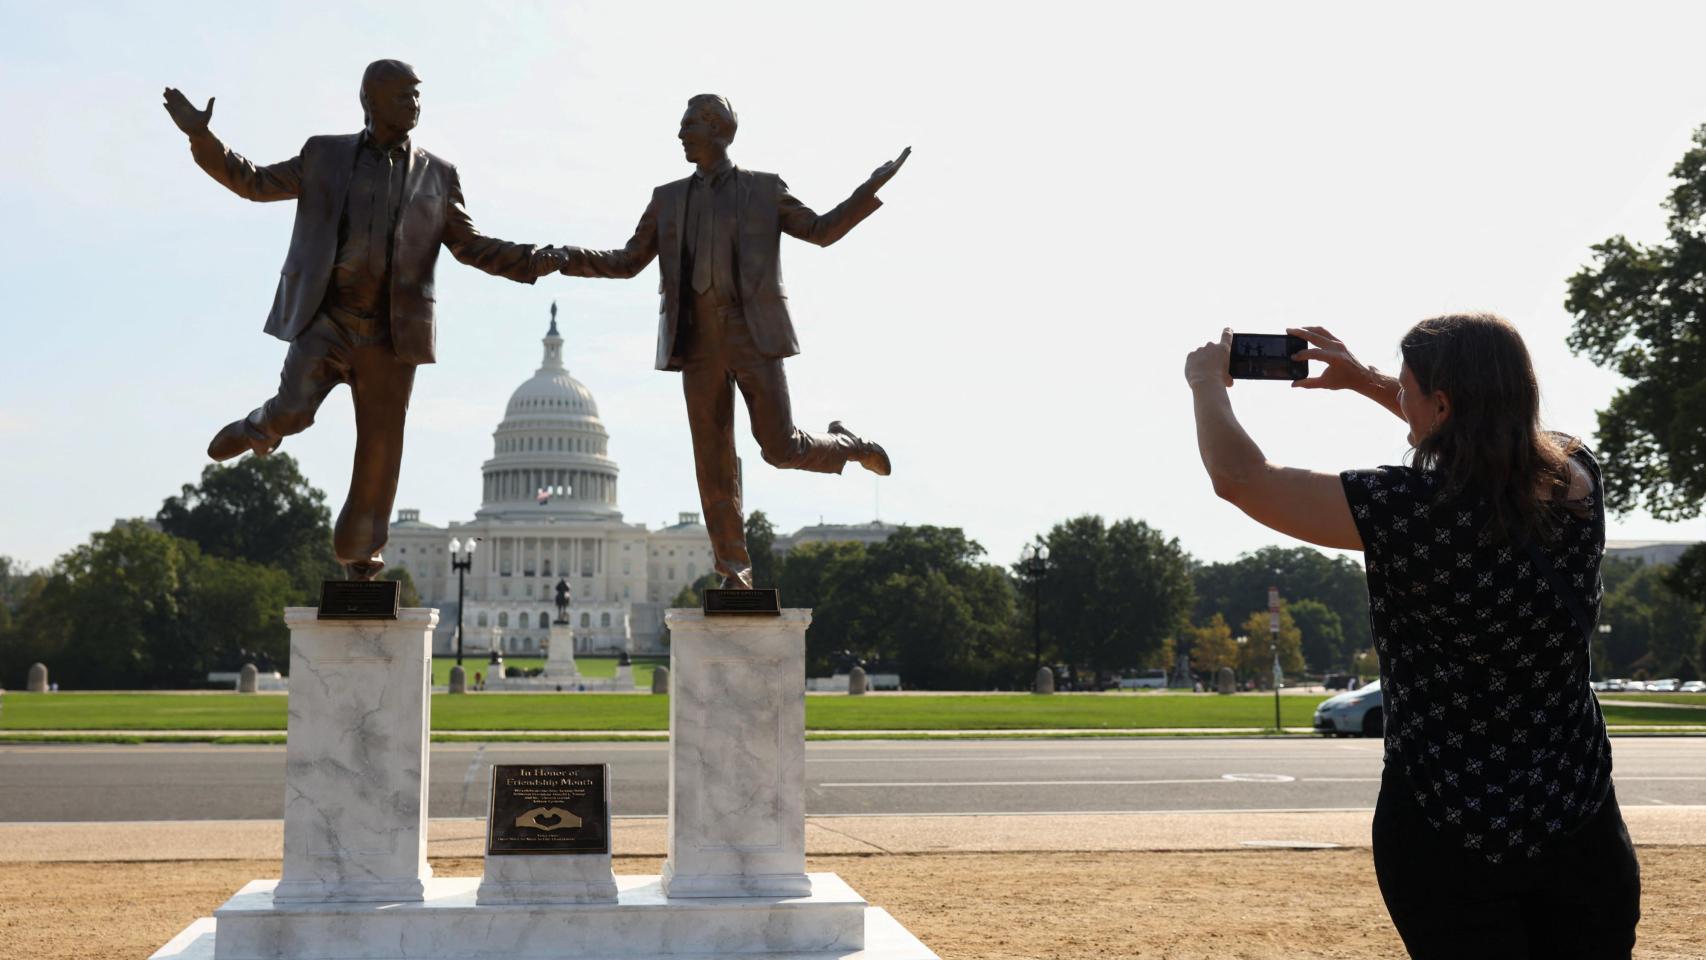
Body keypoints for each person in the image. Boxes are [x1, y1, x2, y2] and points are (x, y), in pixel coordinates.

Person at [1185, 315, 1640, 958]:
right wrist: (1373, 383)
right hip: (1577, 812)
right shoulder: (1574, 485)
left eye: (1408, 392)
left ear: (1444, 403)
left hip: (1444, 819)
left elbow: (1242, 478)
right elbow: (1498, 440)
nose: (1401, 403)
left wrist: (1207, 382)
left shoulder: (1406, 508)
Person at [162, 61, 565, 579]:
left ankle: (359, 553)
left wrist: (533, 259)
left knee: (380, 446)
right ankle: (261, 425)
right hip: (327, 318)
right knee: (295, 412)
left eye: (419, 96)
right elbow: (254, 182)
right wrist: (202, 136)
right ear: (370, 100)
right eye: (404, 96)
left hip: (391, 334)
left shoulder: (438, 175)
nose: (415, 105)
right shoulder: (323, 154)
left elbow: (470, 246)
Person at [548, 94, 905, 588]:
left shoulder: (763, 190)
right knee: (712, 459)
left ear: (719, 128)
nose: (679, 135)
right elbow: (628, 261)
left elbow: (821, 231)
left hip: (753, 334)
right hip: (696, 342)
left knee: (779, 448)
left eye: (688, 125)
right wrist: (570, 256)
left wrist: (869, 189)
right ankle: (733, 565)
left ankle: (846, 444)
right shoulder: (667, 198)